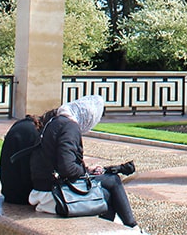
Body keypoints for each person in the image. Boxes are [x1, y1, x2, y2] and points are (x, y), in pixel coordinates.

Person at [28, 95, 145, 231]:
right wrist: (85, 172)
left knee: (110, 183)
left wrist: (87, 170)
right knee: (109, 189)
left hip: (42, 188)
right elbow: (67, 168)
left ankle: (128, 227)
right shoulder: (70, 127)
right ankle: (132, 228)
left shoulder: (55, 122)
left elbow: (60, 160)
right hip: (54, 195)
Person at [0, 108, 58, 204]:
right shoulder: (32, 133)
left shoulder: (25, 125)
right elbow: (32, 172)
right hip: (21, 195)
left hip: (10, 191)